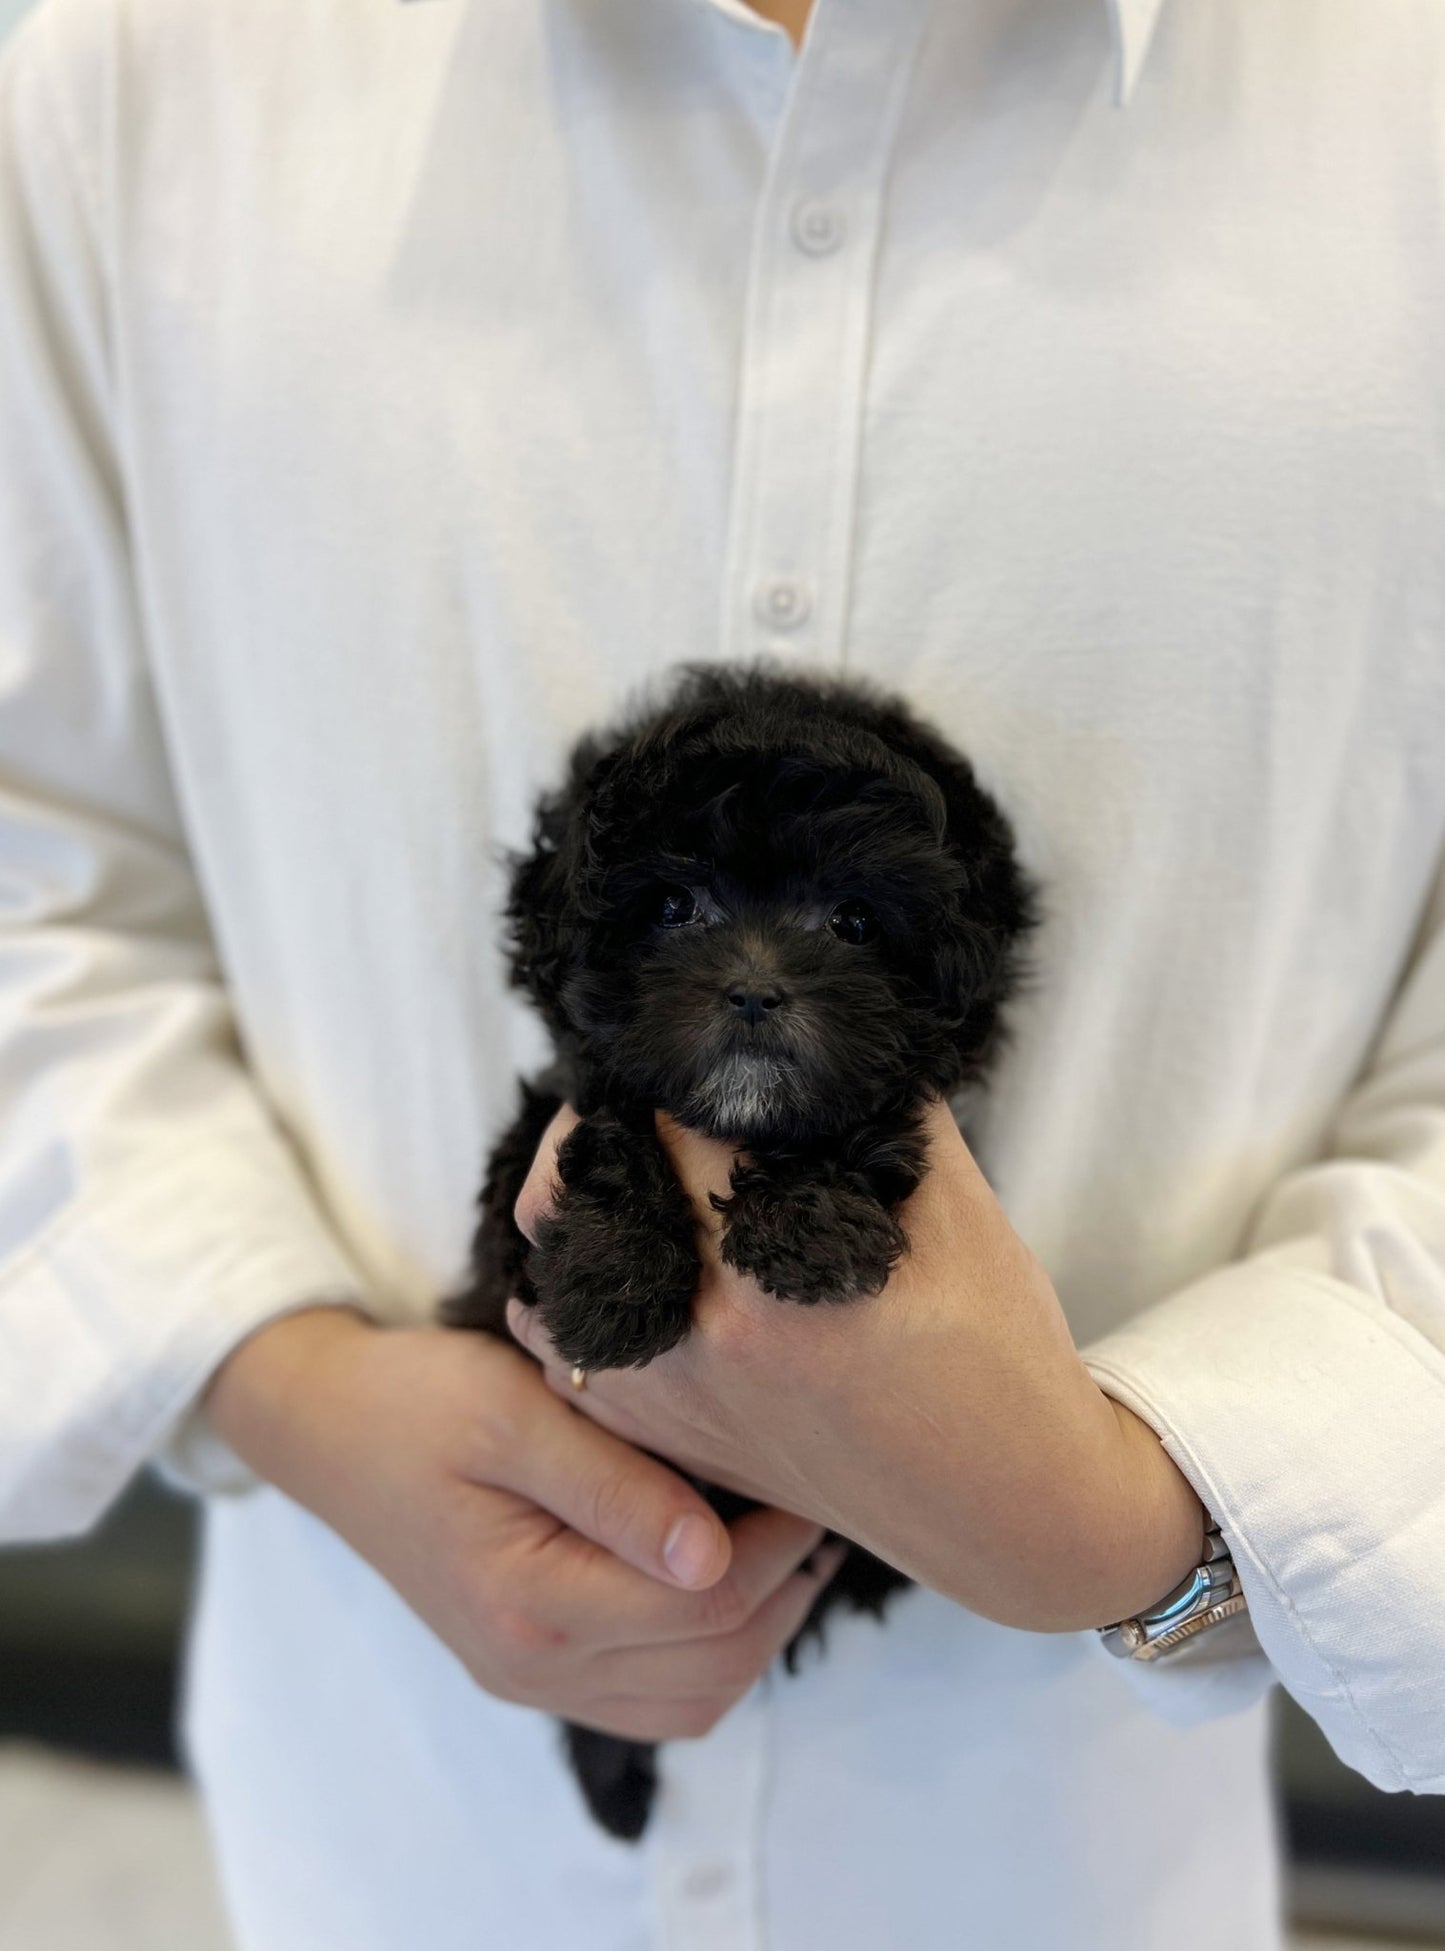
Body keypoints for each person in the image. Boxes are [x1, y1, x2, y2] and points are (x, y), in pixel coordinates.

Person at [1, 0, 1443, 1945]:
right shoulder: (130, 65)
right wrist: (287, 1385)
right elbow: (37, 856)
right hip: (379, 1826)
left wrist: (1146, 1514)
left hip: (1075, 1854)